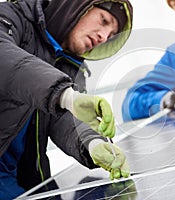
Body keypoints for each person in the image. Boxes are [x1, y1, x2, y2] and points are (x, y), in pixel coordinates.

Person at [0, 0, 133, 199]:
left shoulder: (68, 64)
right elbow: (6, 59)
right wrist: (66, 95)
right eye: (103, 20)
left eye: (111, 35)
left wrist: (93, 143)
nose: (103, 37)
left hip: (21, 179)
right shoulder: (10, 17)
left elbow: (65, 117)